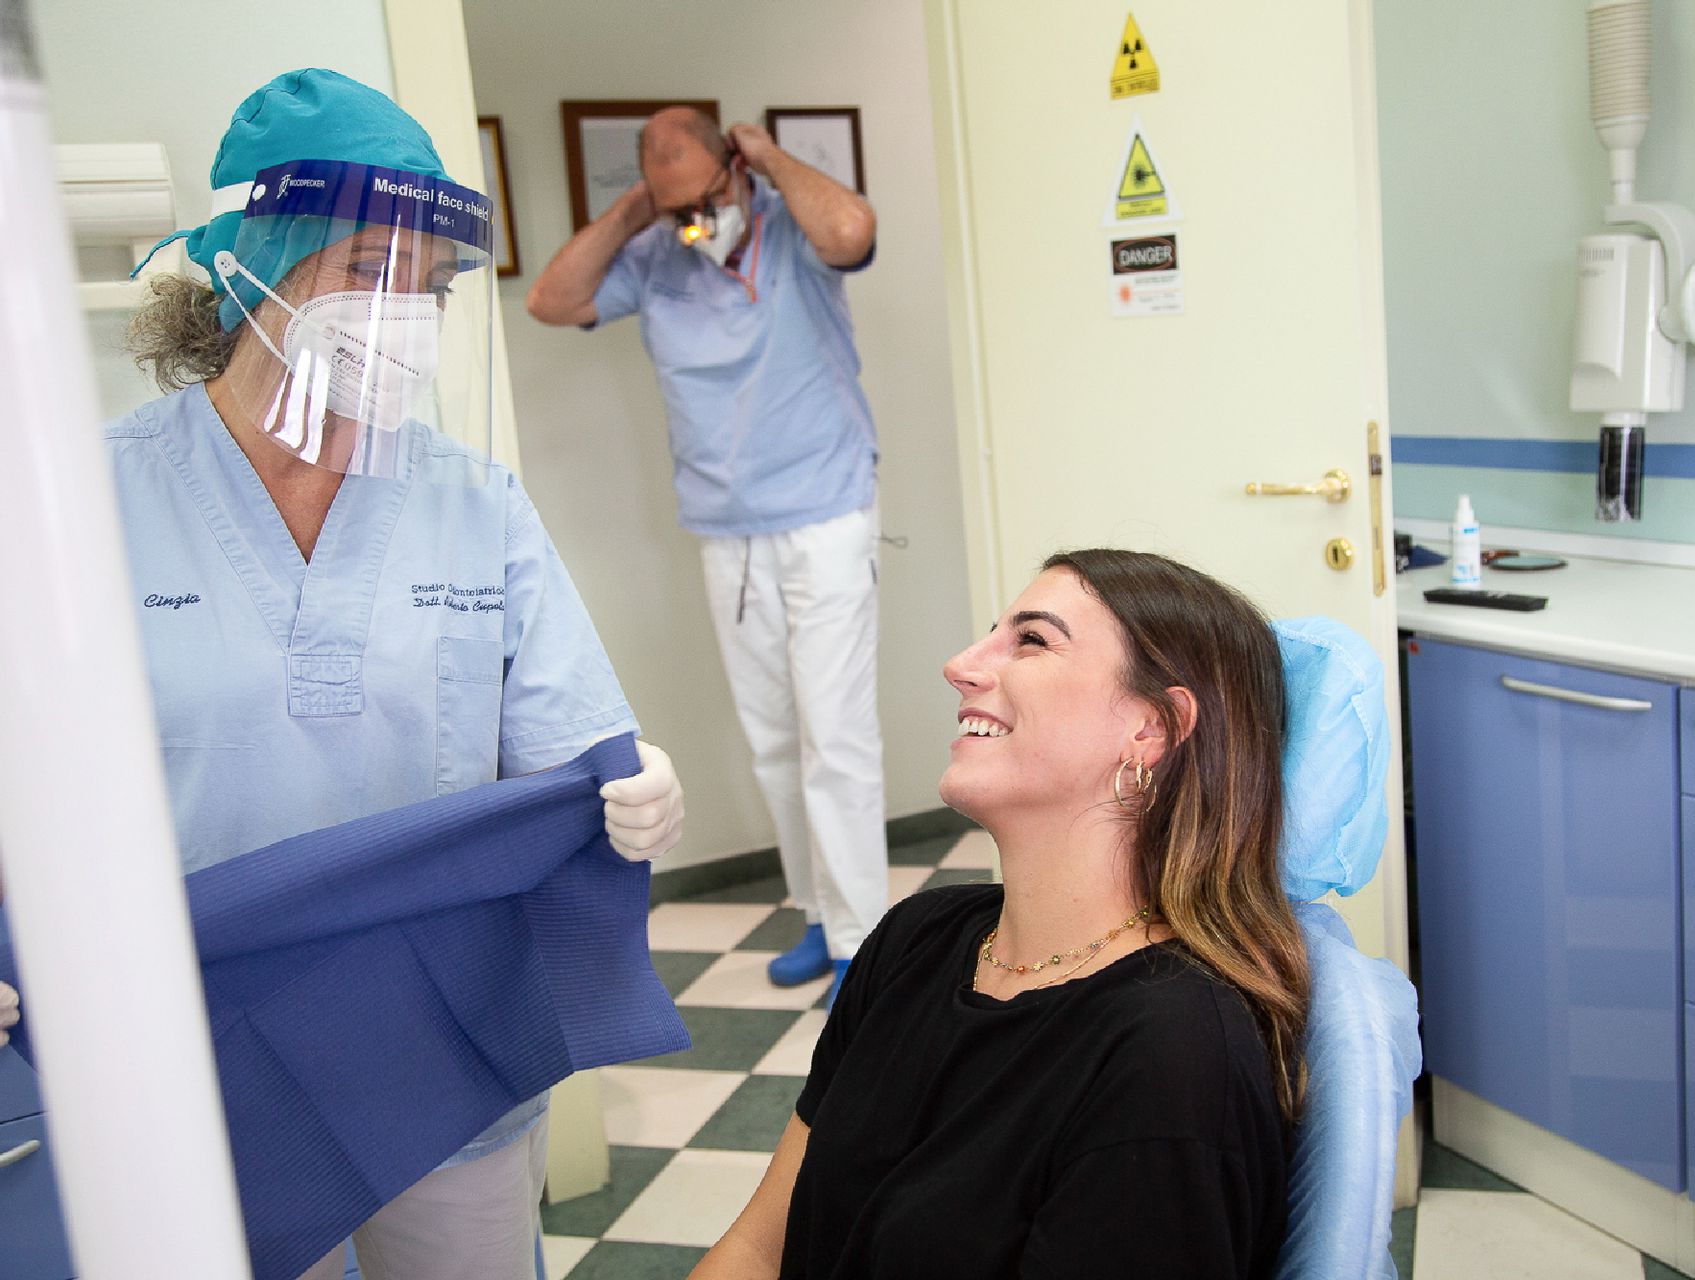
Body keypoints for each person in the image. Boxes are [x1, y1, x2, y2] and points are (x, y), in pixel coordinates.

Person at [104, 69, 683, 1279]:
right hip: (204, 1055)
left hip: (442, 1044)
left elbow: (570, 750)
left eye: (429, 284)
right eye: (370, 271)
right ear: (256, 263)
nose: (404, 315)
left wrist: (627, 784)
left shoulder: (474, 502)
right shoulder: (85, 508)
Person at [691, 549, 1311, 1279]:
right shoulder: (916, 938)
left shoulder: (1171, 1057)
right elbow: (761, 1250)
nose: (961, 664)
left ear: (1151, 729)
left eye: (1033, 640)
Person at [526, 107, 885, 1001]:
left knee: (834, 738)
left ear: (735, 164)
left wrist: (768, 158)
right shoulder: (658, 256)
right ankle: (816, 913)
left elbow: (853, 230)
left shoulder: (793, 234)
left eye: (704, 193)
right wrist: (635, 212)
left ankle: (863, 944)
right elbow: (552, 300)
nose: (696, 218)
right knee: (772, 739)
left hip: (826, 514)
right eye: (670, 199)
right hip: (727, 530)